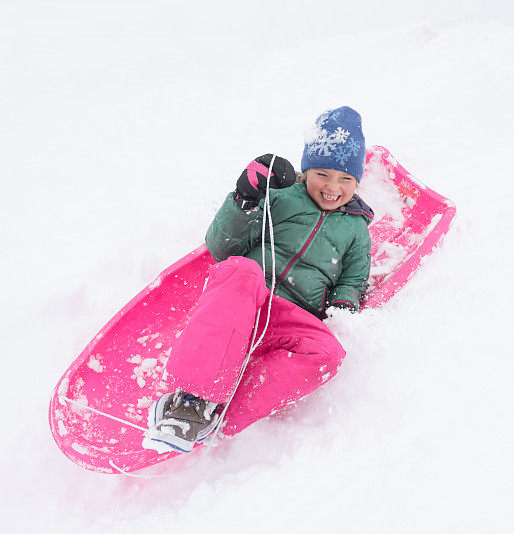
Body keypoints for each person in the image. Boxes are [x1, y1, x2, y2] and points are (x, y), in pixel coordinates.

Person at [143, 106, 373, 453]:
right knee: (240, 268)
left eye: (345, 179)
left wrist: (343, 302)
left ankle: (225, 413)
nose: (332, 187)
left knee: (329, 353)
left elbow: (354, 279)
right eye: (322, 174)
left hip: (290, 319)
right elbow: (222, 248)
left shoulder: (356, 228)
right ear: (305, 170)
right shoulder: (279, 196)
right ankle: (191, 402)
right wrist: (245, 199)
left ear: (357, 183)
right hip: (245, 302)